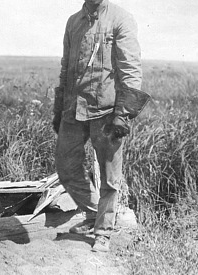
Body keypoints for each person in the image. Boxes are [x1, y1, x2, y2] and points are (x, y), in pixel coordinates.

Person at [53, 0, 150, 252]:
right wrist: (59, 106)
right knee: (66, 166)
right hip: (74, 109)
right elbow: (66, 68)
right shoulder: (73, 22)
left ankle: (103, 232)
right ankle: (93, 213)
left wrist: (123, 114)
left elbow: (130, 69)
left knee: (110, 176)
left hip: (107, 111)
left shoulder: (120, 19)